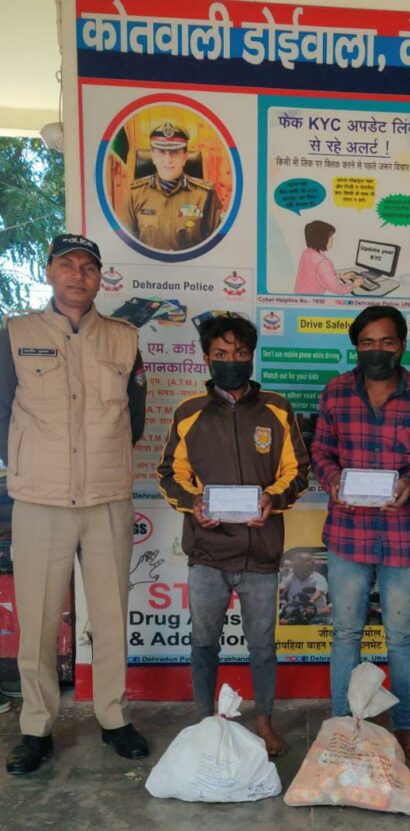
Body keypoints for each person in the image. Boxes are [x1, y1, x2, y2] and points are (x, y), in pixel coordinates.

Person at [0, 234, 149, 775]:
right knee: (38, 621)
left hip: (106, 498)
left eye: (89, 267)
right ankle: (37, 727)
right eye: (67, 265)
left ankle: (113, 716)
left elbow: (134, 417)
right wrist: (33, 464)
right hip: (40, 500)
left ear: (100, 278)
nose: (78, 274)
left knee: (110, 615)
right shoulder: (16, 334)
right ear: (49, 272)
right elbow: (2, 411)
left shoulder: (124, 338)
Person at [157, 314, 309, 756]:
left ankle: (264, 722)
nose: (231, 361)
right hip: (207, 553)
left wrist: (272, 500)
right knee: (203, 643)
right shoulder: (190, 413)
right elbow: (170, 474)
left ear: (252, 356)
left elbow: (297, 471)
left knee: (262, 646)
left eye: (240, 353)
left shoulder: (276, 409)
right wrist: (194, 503)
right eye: (221, 354)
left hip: (261, 552)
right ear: (207, 359)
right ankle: (205, 721)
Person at [312, 305, 410, 759]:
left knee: (401, 638)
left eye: (387, 342)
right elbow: (320, 451)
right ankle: (343, 726)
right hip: (348, 534)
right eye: (367, 343)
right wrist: (332, 481)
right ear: (356, 347)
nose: (377, 350)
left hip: (403, 534)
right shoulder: (336, 392)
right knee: (345, 634)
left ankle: (404, 727)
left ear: (402, 346)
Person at [124, 122, 222, 252]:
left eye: (174, 152)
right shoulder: (135, 194)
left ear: (184, 157)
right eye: (161, 152)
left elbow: (217, 245)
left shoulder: (204, 195)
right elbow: (126, 244)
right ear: (153, 156)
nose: (168, 159)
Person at [294, 220, 358, 295]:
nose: (332, 239)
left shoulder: (307, 252)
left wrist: (341, 276)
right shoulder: (323, 263)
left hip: (299, 297)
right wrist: (354, 285)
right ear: (321, 238)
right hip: (312, 300)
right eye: (330, 236)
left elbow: (320, 275)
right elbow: (338, 289)